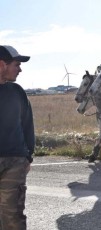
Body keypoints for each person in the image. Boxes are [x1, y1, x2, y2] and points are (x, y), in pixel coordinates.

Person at [0, 45, 34, 229]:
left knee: (13, 216)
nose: (20, 69)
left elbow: (27, 125)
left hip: (15, 161)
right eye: (16, 64)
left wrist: (27, 156)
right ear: (1, 64)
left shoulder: (17, 91)